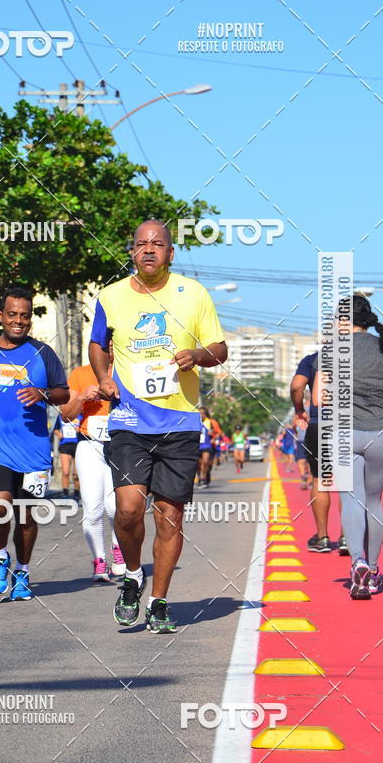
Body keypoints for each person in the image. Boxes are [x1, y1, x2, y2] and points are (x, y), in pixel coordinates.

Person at [89, 219, 228, 633]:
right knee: (128, 508)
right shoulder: (110, 297)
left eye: (158, 244)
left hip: (180, 422)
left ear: (170, 252)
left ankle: (160, 601)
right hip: (130, 419)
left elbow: (220, 349)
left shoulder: (193, 294)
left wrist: (196, 356)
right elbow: (98, 344)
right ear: (131, 251)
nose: (149, 249)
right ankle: (133, 574)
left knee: (170, 516)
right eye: (141, 244)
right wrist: (102, 377)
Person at [0, 287, 69, 601]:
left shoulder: (42, 353)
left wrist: (43, 393)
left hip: (34, 450)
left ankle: (22, 570)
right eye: (12, 314)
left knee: (26, 516)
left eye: (24, 315)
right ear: (1, 317)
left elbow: (65, 393)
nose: (18, 321)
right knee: (0, 505)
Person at [313, 295, 383, 599]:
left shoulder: (331, 350)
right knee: (374, 501)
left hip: (343, 433)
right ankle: (371, 569)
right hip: (380, 431)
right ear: (367, 318)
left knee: (352, 499)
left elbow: (319, 398)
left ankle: (356, 561)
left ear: (343, 321)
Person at [59, 349, 126, 581]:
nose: (108, 348)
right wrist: (81, 397)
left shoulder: (126, 371)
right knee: (92, 508)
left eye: (111, 342)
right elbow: (66, 414)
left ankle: (119, 551)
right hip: (89, 445)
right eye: (102, 344)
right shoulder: (80, 374)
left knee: (116, 507)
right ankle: (99, 560)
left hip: (121, 445)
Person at [291, 351, 346, 554]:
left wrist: (299, 409)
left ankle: (322, 538)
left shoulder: (312, 359)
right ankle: (346, 538)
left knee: (319, 479)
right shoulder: (357, 356)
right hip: (349, 424)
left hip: (319, 424)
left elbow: (297, 386)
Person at [52, 414, 80, 499]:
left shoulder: (80, 416)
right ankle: (65, 493)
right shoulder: (61, 416)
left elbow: (86, 429)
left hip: (77, 445)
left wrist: (80, 430)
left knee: (76, 474)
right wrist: (58, 433)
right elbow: (55, 429)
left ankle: (76, 493)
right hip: (65, 445)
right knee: (66, 472)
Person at [197, 406, 213, 488]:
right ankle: (199, 478)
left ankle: (203, 478)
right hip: (197, 446)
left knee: (205, 462)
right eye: (200, 414)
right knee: (198, 464)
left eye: (203, 414)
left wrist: (213, 437)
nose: (201, 415)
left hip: (206, 445)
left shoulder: (209, 422)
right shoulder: (194, 422)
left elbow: (216, 433)